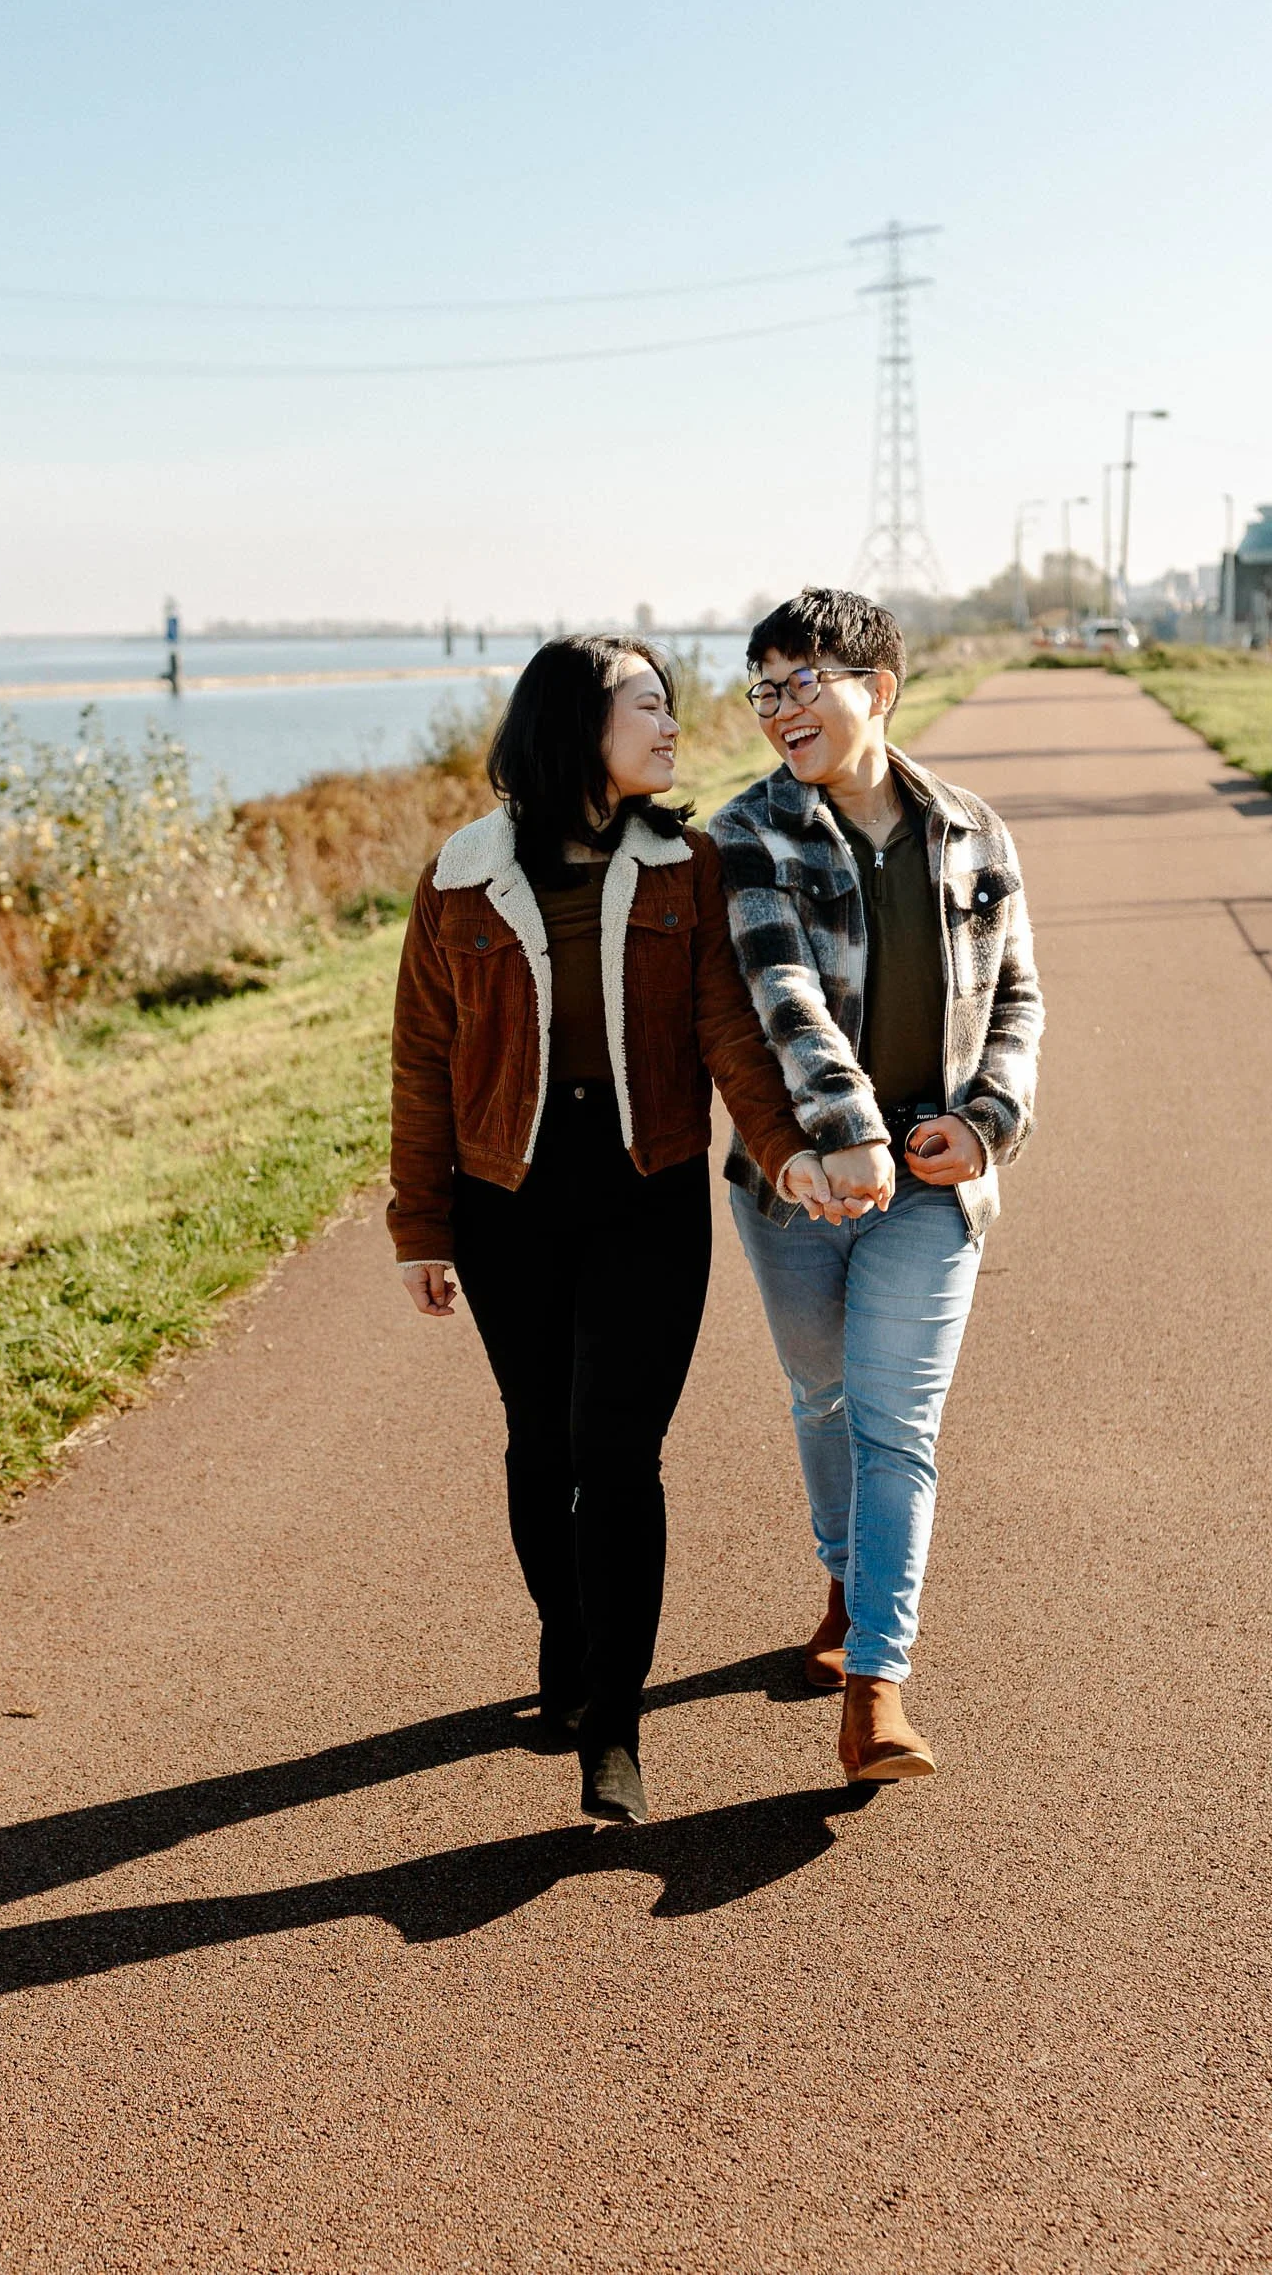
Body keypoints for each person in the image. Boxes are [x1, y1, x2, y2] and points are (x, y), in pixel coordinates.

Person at [388, 635, 833, 1827]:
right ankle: (567, 1646)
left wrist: (785, 1150)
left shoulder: (688, 864)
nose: (671, 722)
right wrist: (419, 1223)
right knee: (539, 1446)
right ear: (574, 724)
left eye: (668, 703)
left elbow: (726, 1029)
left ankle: (615, 1722)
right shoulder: (460, 875)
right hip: (505, 1200)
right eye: (647, 703)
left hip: (644, 1191)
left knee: (615, 1454)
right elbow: (423, 1060)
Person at [710, 588, 1044, 1787]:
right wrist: (840, 1134)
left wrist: (987, 1122)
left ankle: (875, 1688)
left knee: (895, 1421)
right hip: (793, 1179)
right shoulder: (746, 831)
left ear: (877, 689)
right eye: (762, 688)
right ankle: (845, 1581)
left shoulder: (973, 832)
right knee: (819, 1396)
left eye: (801, 682)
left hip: (930, 1179)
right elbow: (778, 992)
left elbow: (1017, 998)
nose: (778, 708)